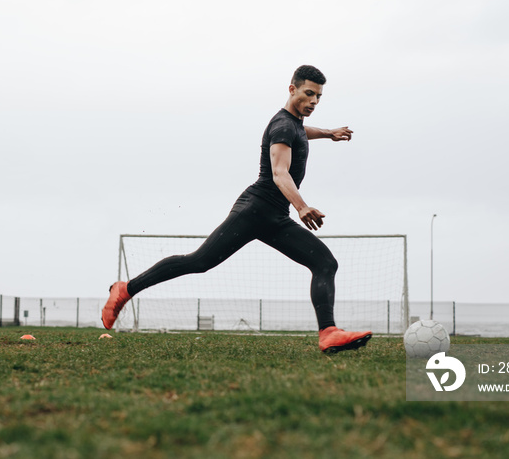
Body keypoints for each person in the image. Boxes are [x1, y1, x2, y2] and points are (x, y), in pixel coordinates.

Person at [102, 65, 372, 353]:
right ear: (292, 89)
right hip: (254, 211)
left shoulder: (291, 124)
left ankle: (328, 332)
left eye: (318, 96)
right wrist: (302, 206)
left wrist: (329, 133)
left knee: (324, 263)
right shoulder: (282, 126)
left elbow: (301, 132)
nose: (314, 101)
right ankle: (126, 289)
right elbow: (280, 173)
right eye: (308, 94)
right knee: (198, 262)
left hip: (275, 217)